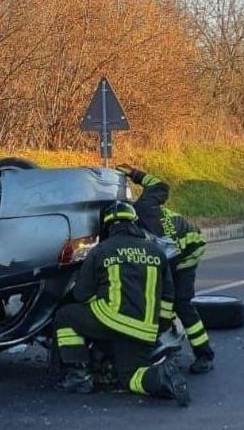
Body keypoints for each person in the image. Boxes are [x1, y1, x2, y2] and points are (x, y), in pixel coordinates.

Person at [54, 201, 190, 406]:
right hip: (144, 329)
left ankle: (79, 377)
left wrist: (99, 300)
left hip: (110, 320)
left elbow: (81, 294)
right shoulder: (156, 252)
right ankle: (163, 378)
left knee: (65, 315)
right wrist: (157, 328)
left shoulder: (101, 251)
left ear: (108, 226)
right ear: (135, 224)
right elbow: (168, 297)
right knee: (131, 378)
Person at [116, 165, 216, 374]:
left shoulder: (144, 210)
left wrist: (136, 174)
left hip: (188, 248)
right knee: (159, 298)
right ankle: (164, 337)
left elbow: (160, 186)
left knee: (180, 302)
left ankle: (204, 355)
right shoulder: (138, 221)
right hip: (170, 250)